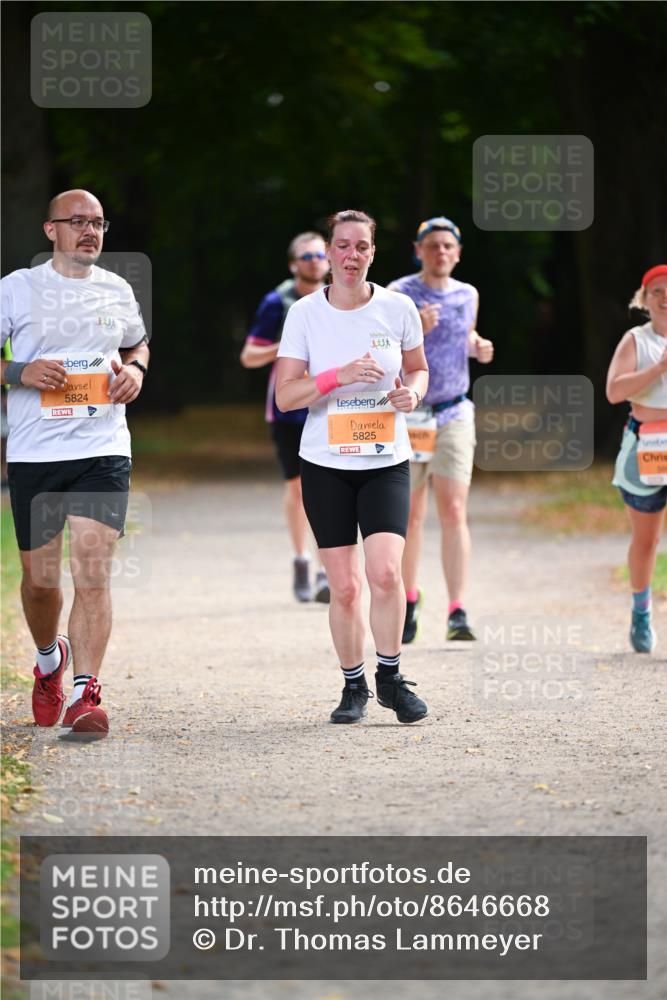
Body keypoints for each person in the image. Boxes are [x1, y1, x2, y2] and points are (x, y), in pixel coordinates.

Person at [1, 189, 149, 740]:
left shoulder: (117, 289)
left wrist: (136, 372)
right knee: (40, 582)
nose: (91, 231)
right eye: (78, 222)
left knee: (93, 571)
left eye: (99, 223)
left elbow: (138, 345)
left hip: (103, 448)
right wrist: (21, 372)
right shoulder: (17, 289)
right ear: (51, 230)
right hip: (37, 453)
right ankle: (48, 662)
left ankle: (86, 694)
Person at [275, 209, 429, 725]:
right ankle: (352, 685)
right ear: (329, 253)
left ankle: (390, 677)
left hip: (386, 458)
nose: (350, 255)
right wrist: (336, 377)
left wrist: (413, 394)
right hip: (326, 463)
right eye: (341, 246)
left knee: (385, 572)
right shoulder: (304, 314)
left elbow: (419, 369)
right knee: (344, 586)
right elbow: (286, 393)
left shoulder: (398, 307)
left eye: (360, 246)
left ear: (372, 253)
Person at [388, 217, 493, 644]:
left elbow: (465, 336)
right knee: (411, 515)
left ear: (458, 252)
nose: (441, 252)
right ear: (418, 250)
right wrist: (418, 331)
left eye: (448, 246)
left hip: (453, 411)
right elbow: (382, 352)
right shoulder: (399, 293)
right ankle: (409, 600)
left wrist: (478, 346)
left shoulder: (468, 294)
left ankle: (458, 609)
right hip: (411, 413)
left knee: (453, 510)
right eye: (432, 246)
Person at [241, 233, 331, 603]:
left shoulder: (341, 298)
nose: (314, 260)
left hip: (331, 405)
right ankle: (300, 559)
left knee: (328, 489)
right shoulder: (277, 302)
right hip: (288, 410)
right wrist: (287, 347)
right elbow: (249, 356)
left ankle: (327, 572)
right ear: (294, 264)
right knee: (297, 488)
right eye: (306, 255)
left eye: (320, 254)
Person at [606, 264, 667, 653]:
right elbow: (614, 391)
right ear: (644, 300)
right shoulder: (636, 340)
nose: (664, 296)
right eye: (657, 290)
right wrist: (659, 368)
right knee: (646, 540)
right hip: (647, 446)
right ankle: (641, 612)